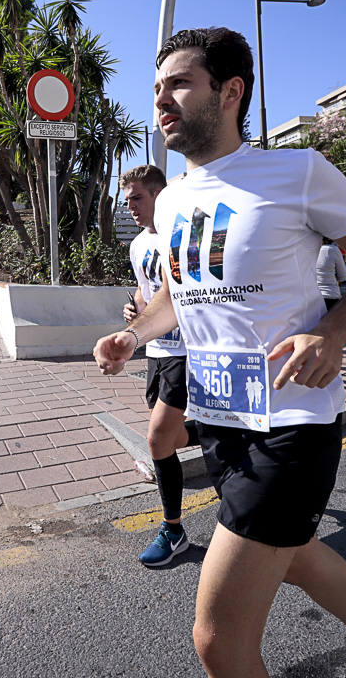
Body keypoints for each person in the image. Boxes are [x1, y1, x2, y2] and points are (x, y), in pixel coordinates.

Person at [93, 28, 346, 678]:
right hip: (220, 422)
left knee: (217, 640)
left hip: (290, 428)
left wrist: (334, 332)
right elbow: (177, 297)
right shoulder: (176, 198)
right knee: (293, 555)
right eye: (157, 87)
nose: (162, 99)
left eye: (180, 83)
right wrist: (135, 334)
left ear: (230, 91)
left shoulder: (297, 172)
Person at [121, 164, 198, 568]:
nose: (130, 205)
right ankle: (223, 437)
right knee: (169, 437)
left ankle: (174, 530)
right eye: (127, 198)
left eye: (138, 197)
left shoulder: (180, 236)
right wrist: (134, 313)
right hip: (157, 353)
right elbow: (145, 290)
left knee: (156, 440)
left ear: (158, 195)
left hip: (188, 351)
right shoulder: (136, 245)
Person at [316, 238, 346, 311]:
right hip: (331, 296)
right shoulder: (333, 250)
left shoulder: (311, 249)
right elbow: (343, 277)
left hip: (315, 298)